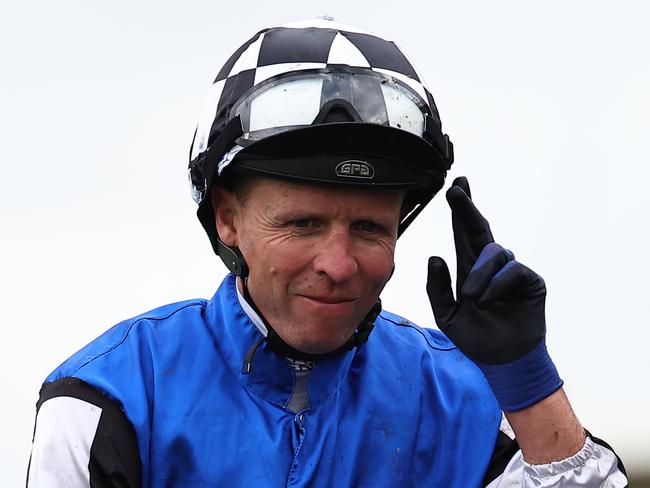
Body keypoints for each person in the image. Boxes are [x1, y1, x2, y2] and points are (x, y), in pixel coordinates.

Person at [27, 17, 628, 487]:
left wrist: (526, 380)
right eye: (303, 223)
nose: (339, 266)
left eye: (370, 228)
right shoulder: (107, 397)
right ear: (227, 218)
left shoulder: (467, 399)